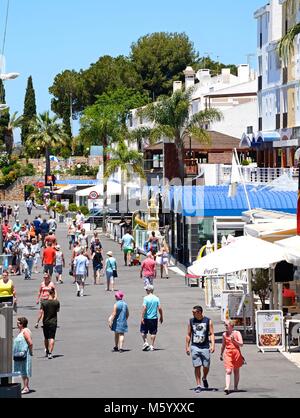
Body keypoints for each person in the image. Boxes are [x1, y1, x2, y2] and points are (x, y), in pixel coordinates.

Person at [185, 306, 215, 393]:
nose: (192, 314)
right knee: (197, 366)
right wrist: (187, 346)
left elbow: (212, 334)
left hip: (205, 346)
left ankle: (204, 377)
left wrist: (213, 345)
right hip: (195, 346)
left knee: (206, 365)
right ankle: (198, 385)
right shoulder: (191, 321)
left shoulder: (208, 321)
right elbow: (188, 334)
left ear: (199, 312)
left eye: (194, 312)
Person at [35, 288, 60, 359]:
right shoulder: (56, 302)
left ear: (48, 294)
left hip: (45, 321)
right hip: (53, 322)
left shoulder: (44, 303)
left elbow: (41, 313)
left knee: (46, 337)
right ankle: (50, 353)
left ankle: (47, 350)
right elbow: (57, 310)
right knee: (52, 337)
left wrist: (37, 322)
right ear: (53, 294)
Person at [220, 320, 244, 395]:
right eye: (225, 325)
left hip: (236, 353)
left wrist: (234, 340)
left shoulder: (237, 333)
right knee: (228, 371)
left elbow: (241, 344)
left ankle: (235, 387)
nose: (226, 326)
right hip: (228, 353)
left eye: (227, 325)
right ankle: (227, 387)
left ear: (231, 326)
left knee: (236, 371)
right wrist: (221, 353)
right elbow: (223, 345)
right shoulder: (224, 334)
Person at [140, 285, 163, 352]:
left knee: (143, 331)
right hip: (154, 318)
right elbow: (160, 308)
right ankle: (152, 346)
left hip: (146, 317)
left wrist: (142, 317)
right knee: (153, 332)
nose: (146, 291)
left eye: (146, 289)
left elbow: (144, 308)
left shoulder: (145, 298)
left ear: (149, 290)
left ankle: (145, 342)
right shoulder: (156, 298)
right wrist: (161, 316)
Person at [13, 317, 33, 395]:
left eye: (18, 323)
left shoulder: (25, 332)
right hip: (21, 353)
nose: (17, 324)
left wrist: (30, 351)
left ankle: (26, 387)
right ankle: (25, 386)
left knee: (24, 370)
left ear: (22, 324)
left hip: (24, 353)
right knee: (23, 371)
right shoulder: (23, 331)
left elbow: (30, 343)